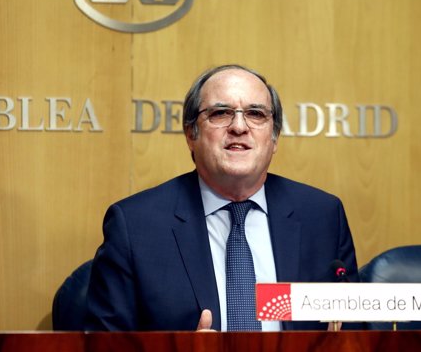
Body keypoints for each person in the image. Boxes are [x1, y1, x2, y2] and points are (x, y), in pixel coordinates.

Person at [84, 64, 358, 331]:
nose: (239, 126)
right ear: (191, 134)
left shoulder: (322, 217)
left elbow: (356, 334)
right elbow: (105, 344)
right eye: (221, 113)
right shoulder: (135, 226)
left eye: (256, 114)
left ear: (274, 139)